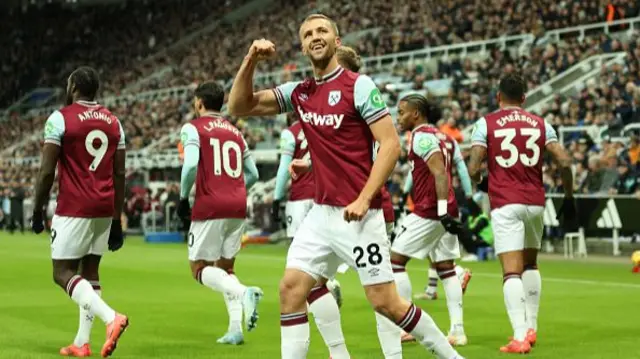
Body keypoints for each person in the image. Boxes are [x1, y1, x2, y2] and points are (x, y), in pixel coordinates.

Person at [228, 14, 464, 359]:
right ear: (303, 46)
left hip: (361, 215)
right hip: (321, 214)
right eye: (307, 34)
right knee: (291, 289)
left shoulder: (359, 85)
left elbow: (390, 144)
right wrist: (250, 59)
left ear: (337, 41)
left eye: (322, 30)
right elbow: (239, 106)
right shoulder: (300, 93)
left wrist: (365, 197)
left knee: (386, 303)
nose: (315, 36)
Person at [468, 73, 576, 354]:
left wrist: (484, 183)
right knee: (530, 264)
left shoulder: (486, 123)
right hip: (535, 202)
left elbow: (473, 168)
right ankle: (532, 327)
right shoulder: (541, 123)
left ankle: (519, 337)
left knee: (510, 271)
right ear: (525, 98)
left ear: (498, 97)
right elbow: (564, 160)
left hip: (506, 203)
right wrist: (569, 196)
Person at [31, 66, 129, 358]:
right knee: (90, 272)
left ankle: (112, 318)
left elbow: (47, 171)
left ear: (73, 86)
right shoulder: (114, 122)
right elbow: (120, 173)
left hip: (74, 206)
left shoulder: (60, 118)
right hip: (103, 205)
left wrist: (37, 210)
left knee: (62, 273)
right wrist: (117, 219)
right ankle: (81, 342)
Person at [176, 81, 263, 345]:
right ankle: (235, 329)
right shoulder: (236, 132)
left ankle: (245, 291)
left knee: (198, 268)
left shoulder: (193, 128)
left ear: (199, 102)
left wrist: (182, 197)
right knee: (226, 267)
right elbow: (254, 174)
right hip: (237, 205)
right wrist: (234, 189)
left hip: (210, 206)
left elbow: (190, 165)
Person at [390, 94, 468, 346]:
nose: (398, 117)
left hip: (430, 210)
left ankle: (406, 326)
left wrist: (442, 211)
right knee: (445, 267)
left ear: (416, 114)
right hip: (444, 207)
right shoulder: (440, 136)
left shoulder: (421, 137)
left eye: (402, 112)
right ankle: (457, 330)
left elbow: (439, 173)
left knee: (395, 261)